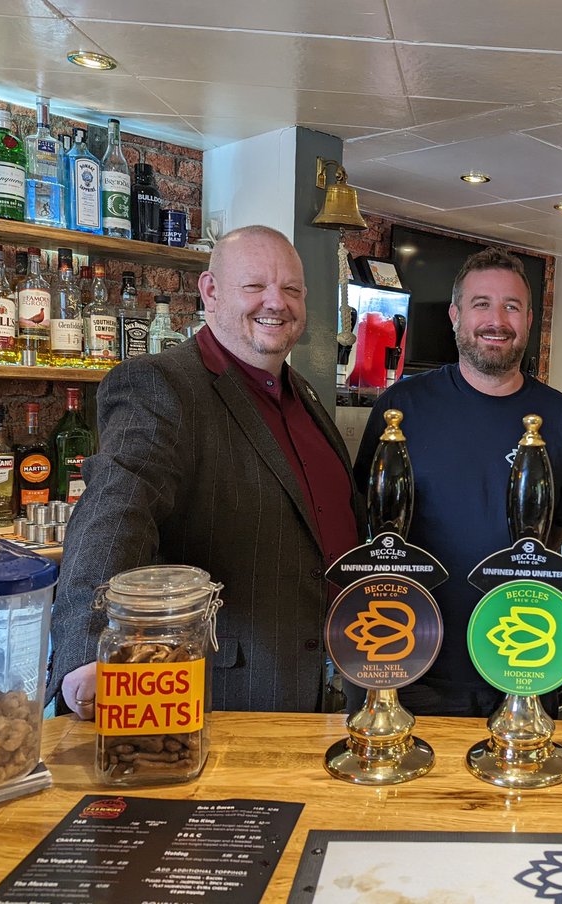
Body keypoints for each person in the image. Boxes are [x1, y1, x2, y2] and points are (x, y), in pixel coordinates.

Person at [48, 225, 364, 718]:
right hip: (231, 692)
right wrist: (91, 648)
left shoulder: (305, 396)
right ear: (211, 292)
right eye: (255, 286)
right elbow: (117, 506)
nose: (276, 302)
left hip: (334, 682)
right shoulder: (162, 384)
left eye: (292, 289)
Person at [352, 247, 562, 717]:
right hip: (410, 657)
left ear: (528, 320)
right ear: (456, 315)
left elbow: (558, 532)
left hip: (526, 656)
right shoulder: (402, 409)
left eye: (512, 306)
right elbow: (369, 523)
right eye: (481, 304)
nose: (496, 320)